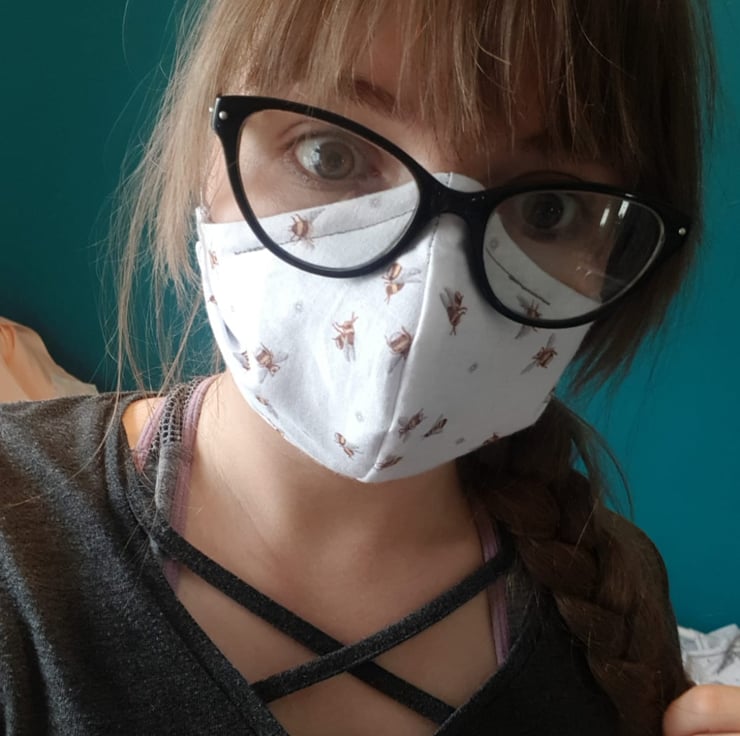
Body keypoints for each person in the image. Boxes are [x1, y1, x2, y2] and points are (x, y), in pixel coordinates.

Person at [1, 0, 739, 734]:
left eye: (547, 209)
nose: (425, 284)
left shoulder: (616, 593)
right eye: (330, 155)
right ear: (207, 153)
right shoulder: (17, 535)